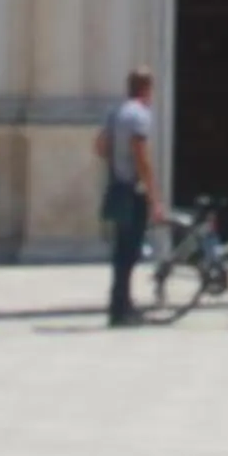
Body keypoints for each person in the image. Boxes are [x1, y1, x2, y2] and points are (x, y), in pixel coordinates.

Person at [95, 67, 159, 326]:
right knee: (130, 252)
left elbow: (99, 145)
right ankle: (122, 309)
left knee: (120, 250)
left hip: (117, 186)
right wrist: (154, 194)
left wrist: (115, 161)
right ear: (147, 88)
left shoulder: (116, 112)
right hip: (133, 190)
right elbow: (141, 156)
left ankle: (118, 303)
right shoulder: (139, 115)